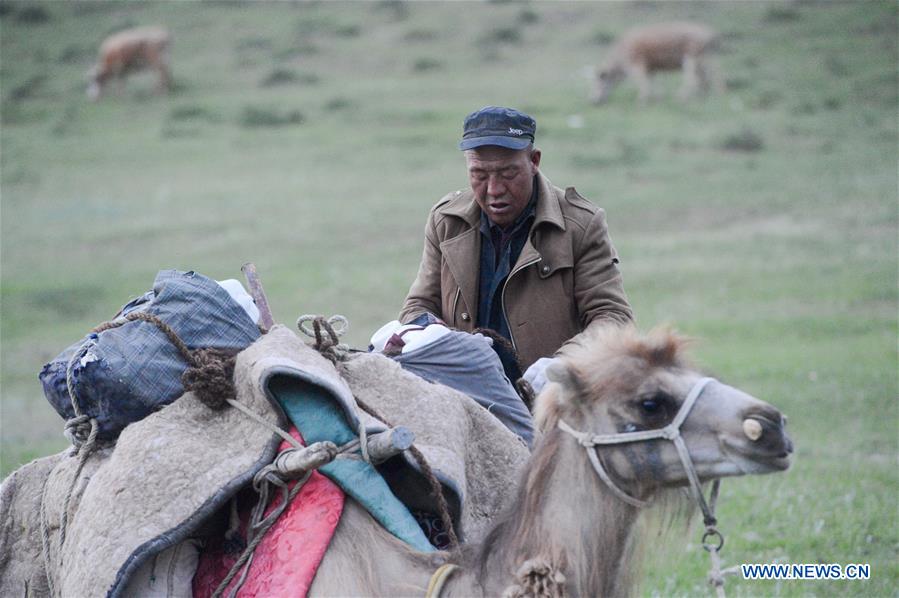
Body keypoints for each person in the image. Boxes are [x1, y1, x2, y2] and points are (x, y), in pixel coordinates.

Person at [398, 106, 633, 392]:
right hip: (461, 399)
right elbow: (417, 306)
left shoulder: (580, 225)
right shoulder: (446, 222)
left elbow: (613, 318)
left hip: (548, 401)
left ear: (534, 161)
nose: (494, 189)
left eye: (508, 173)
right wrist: (429, 331)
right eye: (479, 175)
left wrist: (562, 365)